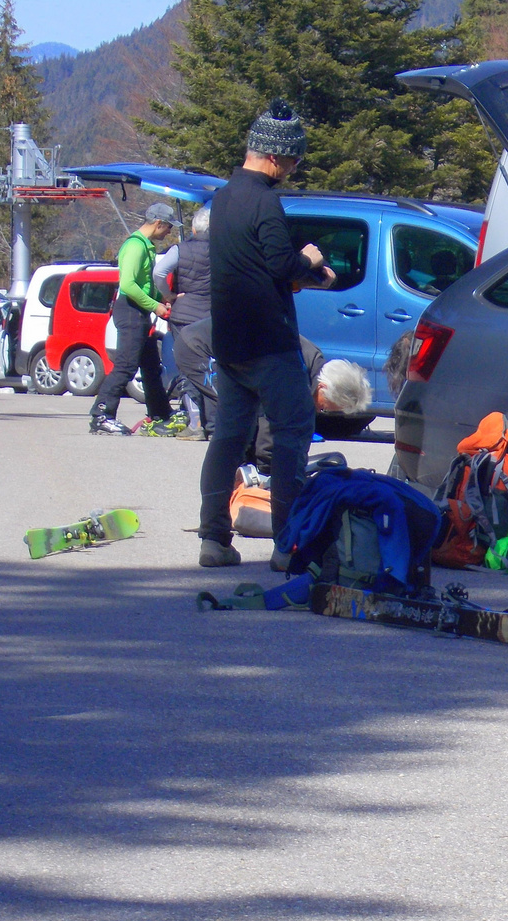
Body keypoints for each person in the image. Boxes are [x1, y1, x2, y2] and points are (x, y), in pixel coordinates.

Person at [197, 99, 336, 569]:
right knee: (292, 436)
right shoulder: (265, 201)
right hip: (270, 344)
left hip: (230, 343)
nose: (294, 169)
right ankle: (288, 546)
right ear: (275, 156)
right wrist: (312, 262)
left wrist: (297, 275)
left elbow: (255, 267)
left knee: (228, 439)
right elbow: (280, 262)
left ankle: (213, 539)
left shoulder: (223, 198)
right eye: (294, 159)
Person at [174, 315, 368, 459]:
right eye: (325, 406)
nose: (321, 410)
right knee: (239, 414)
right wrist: (270, 468)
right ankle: (224, 489)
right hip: (198, 348)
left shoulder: (313, 365)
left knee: (246, 416)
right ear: (323, 387)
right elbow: (268, 424)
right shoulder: (293, 374)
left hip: (232, 352)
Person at [89, 202, 179, 435]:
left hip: (139, 311)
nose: (169, 232)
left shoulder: (145, 246)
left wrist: (163, 298)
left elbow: (145, 285)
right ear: (158, 223)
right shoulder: (135, 247)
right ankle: (102, 415)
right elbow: (128, 285)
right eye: (168, 227)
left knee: (150, 366)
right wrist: (155, 306)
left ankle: (161, 414)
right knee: (126, 366)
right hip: (130, 311)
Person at [154, 206, 213, 438]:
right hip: (212, 316)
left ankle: (195, 423)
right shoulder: (225, 250)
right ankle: (213, 422)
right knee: (212, 368)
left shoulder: (182, 249)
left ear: (193, 228)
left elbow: (159, 272)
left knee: (188, 369)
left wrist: (168, 296)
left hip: (184, 316)